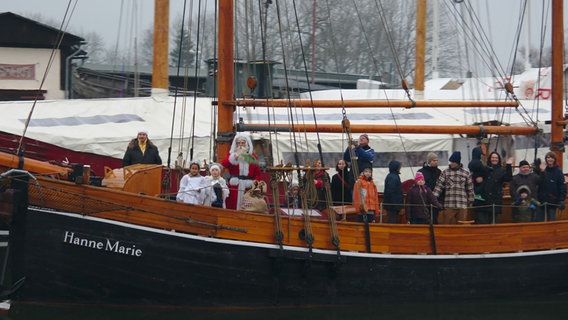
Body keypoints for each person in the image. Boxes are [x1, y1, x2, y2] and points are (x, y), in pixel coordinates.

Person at [221, 133, 261, 210]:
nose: (240, 145)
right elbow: (223, 164)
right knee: (232, 204)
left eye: (242, 143)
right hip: (234, 185)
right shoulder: (231, 155)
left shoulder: (253, 157)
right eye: (238, 143)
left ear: (247, 144)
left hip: (248, 186)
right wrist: (234, 157)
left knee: (248, 205)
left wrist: (255, 184)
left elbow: (257, 173)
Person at [433, 151, 474, 224]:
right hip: (449, 205)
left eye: (453, 162)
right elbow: (439, 186)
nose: (451, 163)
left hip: (462, 205)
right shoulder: (445, 172)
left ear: (457, 162)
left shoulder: (466, 173)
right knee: (447, 225)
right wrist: (433, 198)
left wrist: (470, 202)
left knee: (462, 226)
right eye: (450, 161)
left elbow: (470, 189)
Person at [473, 151, 513, 224]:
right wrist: (477, 178)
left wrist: (509, 165)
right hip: (482, 200)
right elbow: (474, 173)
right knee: (481, 222)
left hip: (495, 199)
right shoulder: (484, 168)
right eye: (493, 157)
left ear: (499, 159)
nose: (494, 159)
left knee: (493, 222)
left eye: (496, 158)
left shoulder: (502, 170)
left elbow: (508, 178)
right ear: (490, 159)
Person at [536, 152, 566, 222]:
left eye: (552, 157)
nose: (550, 159)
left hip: (553, 200)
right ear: (546, 159)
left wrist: (561, 199)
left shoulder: (558, 171)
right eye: (548, 157)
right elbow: (538, 181)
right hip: (541, 199)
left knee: (551, 221)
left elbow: (562, 186)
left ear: (554, 159)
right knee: (539, 221)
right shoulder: (542, 170)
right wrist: (540, 170)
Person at [418, 152, 442, 223]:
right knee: (424, 219)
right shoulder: (421, 172)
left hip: (435, 199)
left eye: (437, 160)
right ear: (429, 161)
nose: (436, 162)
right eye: (434, 160)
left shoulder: (439, 172)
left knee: (434, 219)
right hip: (424, 199)